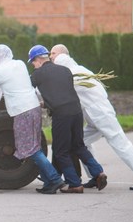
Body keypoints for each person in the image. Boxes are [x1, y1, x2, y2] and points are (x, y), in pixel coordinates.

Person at [50, 44, 133, 190]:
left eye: (53, 53)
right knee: (81, 144)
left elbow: (55, 90)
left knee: (120, 143)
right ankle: (95, 176)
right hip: (95, 117)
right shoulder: (79, 70)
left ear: (63, 56)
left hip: (102, 114)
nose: (51, 56)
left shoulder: (73, 73)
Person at [0, 45, 65, 194]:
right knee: (35, 146)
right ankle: (48, 182)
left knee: (30, 149)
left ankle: (55, 179)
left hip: (22, 111)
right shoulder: (19, 64)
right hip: (34, 107)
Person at [28, 44, 107, 193]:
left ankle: (75, 183)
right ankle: (98, 172)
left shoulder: (37, 75)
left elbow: (26, 90)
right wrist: (47, 103)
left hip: (61, 114)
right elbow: (61, 92)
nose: (33, 65)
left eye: (32, 62)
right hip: (76, 112)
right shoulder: (65, 70)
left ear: (38, 59)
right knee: (79, 146)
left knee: (60, 151)